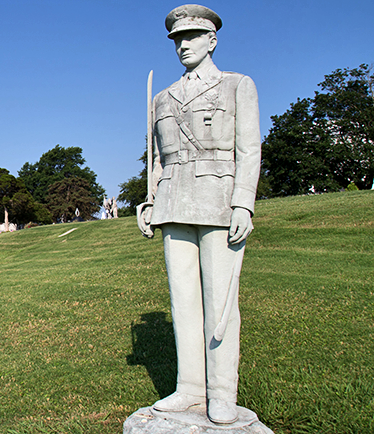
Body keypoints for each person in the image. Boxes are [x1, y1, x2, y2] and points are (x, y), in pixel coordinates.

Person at [137, 4, 261, 425]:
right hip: (173, 203)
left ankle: (222, 391)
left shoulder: (236, 86)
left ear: (212, 40)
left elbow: (249, 149)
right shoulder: (162, 97)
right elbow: (158, 160)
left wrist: (244, 201)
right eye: (177, 39)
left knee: (221, 302)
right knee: (184, 301)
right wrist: (150, 200)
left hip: (219, 201)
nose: (183, 45)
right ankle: (190, 388)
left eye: (191, 37)